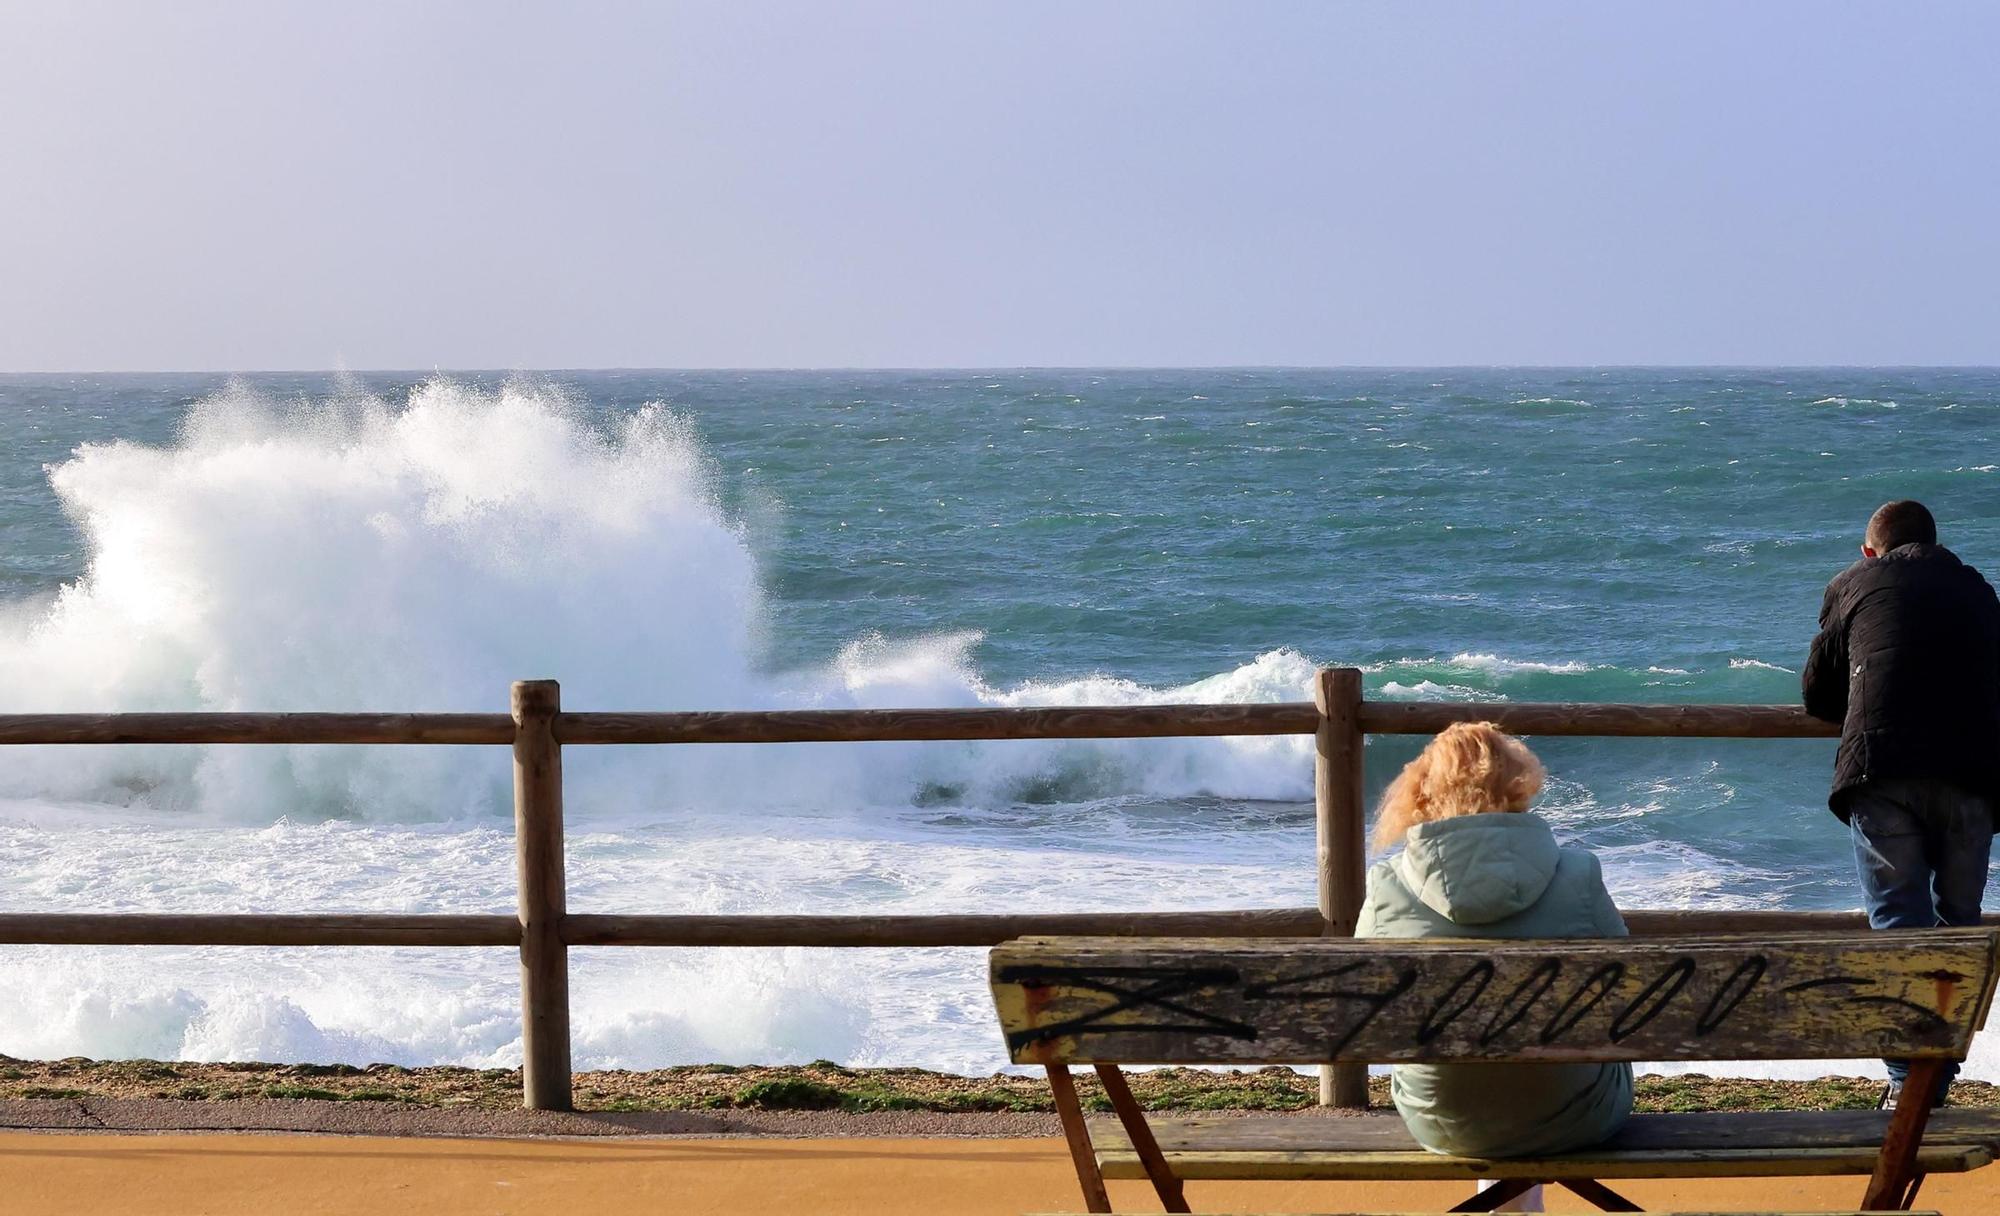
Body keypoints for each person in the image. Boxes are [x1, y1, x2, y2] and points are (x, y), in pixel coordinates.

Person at [1356, 721, 1632, 1162]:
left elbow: (1363, 1006)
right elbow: (1628, 991)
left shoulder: (1387, 884)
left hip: (1443, 1120)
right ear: (1520, 785)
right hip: (1575, 1116)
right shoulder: (1579, 874)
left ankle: (1508, 1201)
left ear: (1421, 793)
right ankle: (1518, 1201)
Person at [1803, 498, 2000, 1106]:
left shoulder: (1853, 583)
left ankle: (1909, 1088)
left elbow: (1818, 693)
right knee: (1958, 925)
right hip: (1973, 775)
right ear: (1938, 544)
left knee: (1897, 925)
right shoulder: (1979, 591)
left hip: (1882, 769)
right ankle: (1932, 1079)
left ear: (1870, 550)